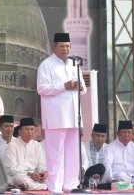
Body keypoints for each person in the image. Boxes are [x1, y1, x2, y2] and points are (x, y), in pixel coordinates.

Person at [37, 32, 87, 193]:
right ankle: (54, 186)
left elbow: (84, 89)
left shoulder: (75, 64)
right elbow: (41, 89)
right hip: (56, 116)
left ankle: (70, 184)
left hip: (73, 116)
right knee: (55, 153)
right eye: (62, 46)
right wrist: (63, 86)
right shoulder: (46, 65)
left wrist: (80, 86)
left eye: (67, 46)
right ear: (54, 47)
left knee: (73, 153)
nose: (65, 49)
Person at [4, 117, 47, 190]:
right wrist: (29, 174)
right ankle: (42, 188)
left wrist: (43, 173)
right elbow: (10, 169)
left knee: (53, 177)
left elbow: (42, 164)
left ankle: (40, 187)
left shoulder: (37, 145)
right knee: (20, 179)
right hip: (20, 176)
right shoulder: (12, 145)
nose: (30, 132)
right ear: (20, 132)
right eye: (27, 129)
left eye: (32, 129)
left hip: (35, 177)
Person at [82, 123, 108, 187]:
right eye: (97, 135)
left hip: (102, 182)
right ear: (92, 135)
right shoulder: (83, 146)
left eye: (102, 136)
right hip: (86, 180)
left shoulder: (108, 148)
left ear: (106, 137)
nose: (100, 139)